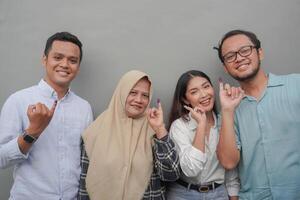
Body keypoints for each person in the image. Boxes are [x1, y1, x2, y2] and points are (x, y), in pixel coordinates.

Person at [0, 32, 93, 200]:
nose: (65, 64)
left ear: (78, 67)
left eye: (73, 60)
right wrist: (32, 132)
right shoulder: (18, 100)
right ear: (44, 60)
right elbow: (1, 159)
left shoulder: (84, 108)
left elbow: (85, 159)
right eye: (58, 57)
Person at [216, 29, 300, 200]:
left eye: (245, 50)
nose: (239, 58)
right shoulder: (228, 109)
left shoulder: (296, 85)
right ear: (225, 67)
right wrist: (227, 111)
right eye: (230, 56)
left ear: (260, 53)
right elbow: (228, 162)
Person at [78, 70, 180, 200]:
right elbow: (84, 184)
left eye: (145, 95)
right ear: (121, 92)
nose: (139, 100)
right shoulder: (96, 130)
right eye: (132, 92)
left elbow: (171, 174)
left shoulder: (153, 129)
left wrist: (160, 129)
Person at [166, 70, 240, 200]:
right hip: (183, 194)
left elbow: (231, 171)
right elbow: (191, 169)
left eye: (206, 86)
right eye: (194, 92)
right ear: (185, 99)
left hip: (218, 193)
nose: (204, 94)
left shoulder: (225, 122)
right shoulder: (179, 126)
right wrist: (201, 125)